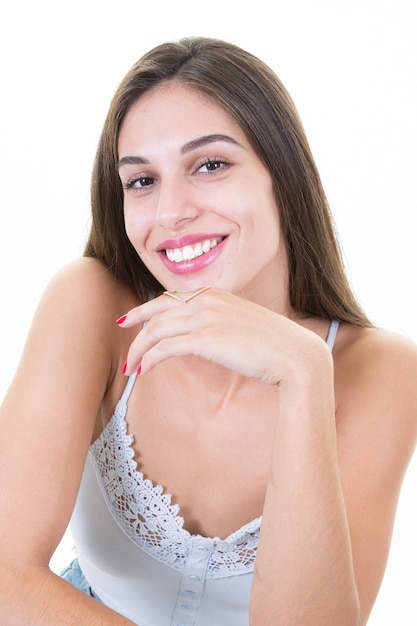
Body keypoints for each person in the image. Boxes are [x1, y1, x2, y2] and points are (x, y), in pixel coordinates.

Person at [0, 36, 416, 626]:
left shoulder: (383, 372)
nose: (171, 211)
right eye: (142, 180)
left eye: (210, 165)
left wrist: (302, 371)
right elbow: (4, 577)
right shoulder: (92, 305)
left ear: (284, 177)